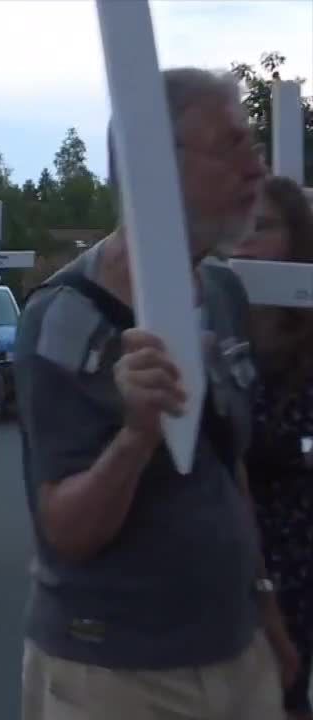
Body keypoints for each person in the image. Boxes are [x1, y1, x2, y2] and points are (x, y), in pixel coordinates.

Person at [17, 68, 283, 718]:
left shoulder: (221, 291)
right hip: (117, 675)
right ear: (153, 167)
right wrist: (136, 436)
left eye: (253, 142)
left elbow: (227, 464)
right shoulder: (61, 319)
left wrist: (265, 604)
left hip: (239, 654)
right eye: (233, 146)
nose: (260, 167)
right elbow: (66, 534)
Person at [234, 175, 313, 719]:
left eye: (262, 227)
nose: (245, 242)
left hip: (298, 549)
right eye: (239, 227)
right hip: (235, 555)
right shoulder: (213, 326)